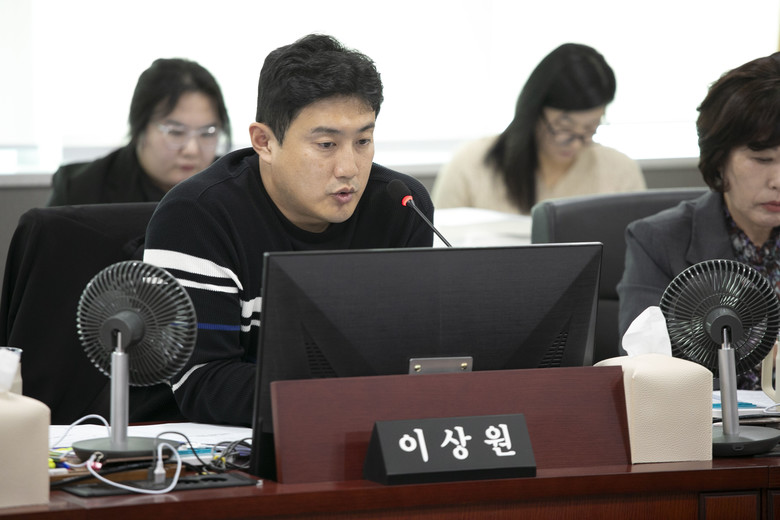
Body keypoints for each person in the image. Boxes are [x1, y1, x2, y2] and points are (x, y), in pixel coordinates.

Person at [143, 34, 434, 426]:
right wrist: (348, 401)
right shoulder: (195, 216)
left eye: (363, 140)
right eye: (327, 144)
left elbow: (411, 356)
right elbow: (203, 380)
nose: (349, 168)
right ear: (264, 142)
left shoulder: (402, 207)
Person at [617, 52, 780, 389]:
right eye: (761, 159)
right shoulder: (658, 241)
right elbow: (645, 372)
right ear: (719, 160)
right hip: (708, 420)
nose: (777, 180)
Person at [431, 43, 645, 215]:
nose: (576, 144)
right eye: (564, 127)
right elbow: (438, 245)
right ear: (533, 112)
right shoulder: (471, 165)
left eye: (590, 128)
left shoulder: (620, 171)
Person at [47, 58, 231, 206]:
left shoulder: (232, 188)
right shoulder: (81, 190)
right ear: (140, 128)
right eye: (176, 132)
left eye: (207, 133)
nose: (192, 150)